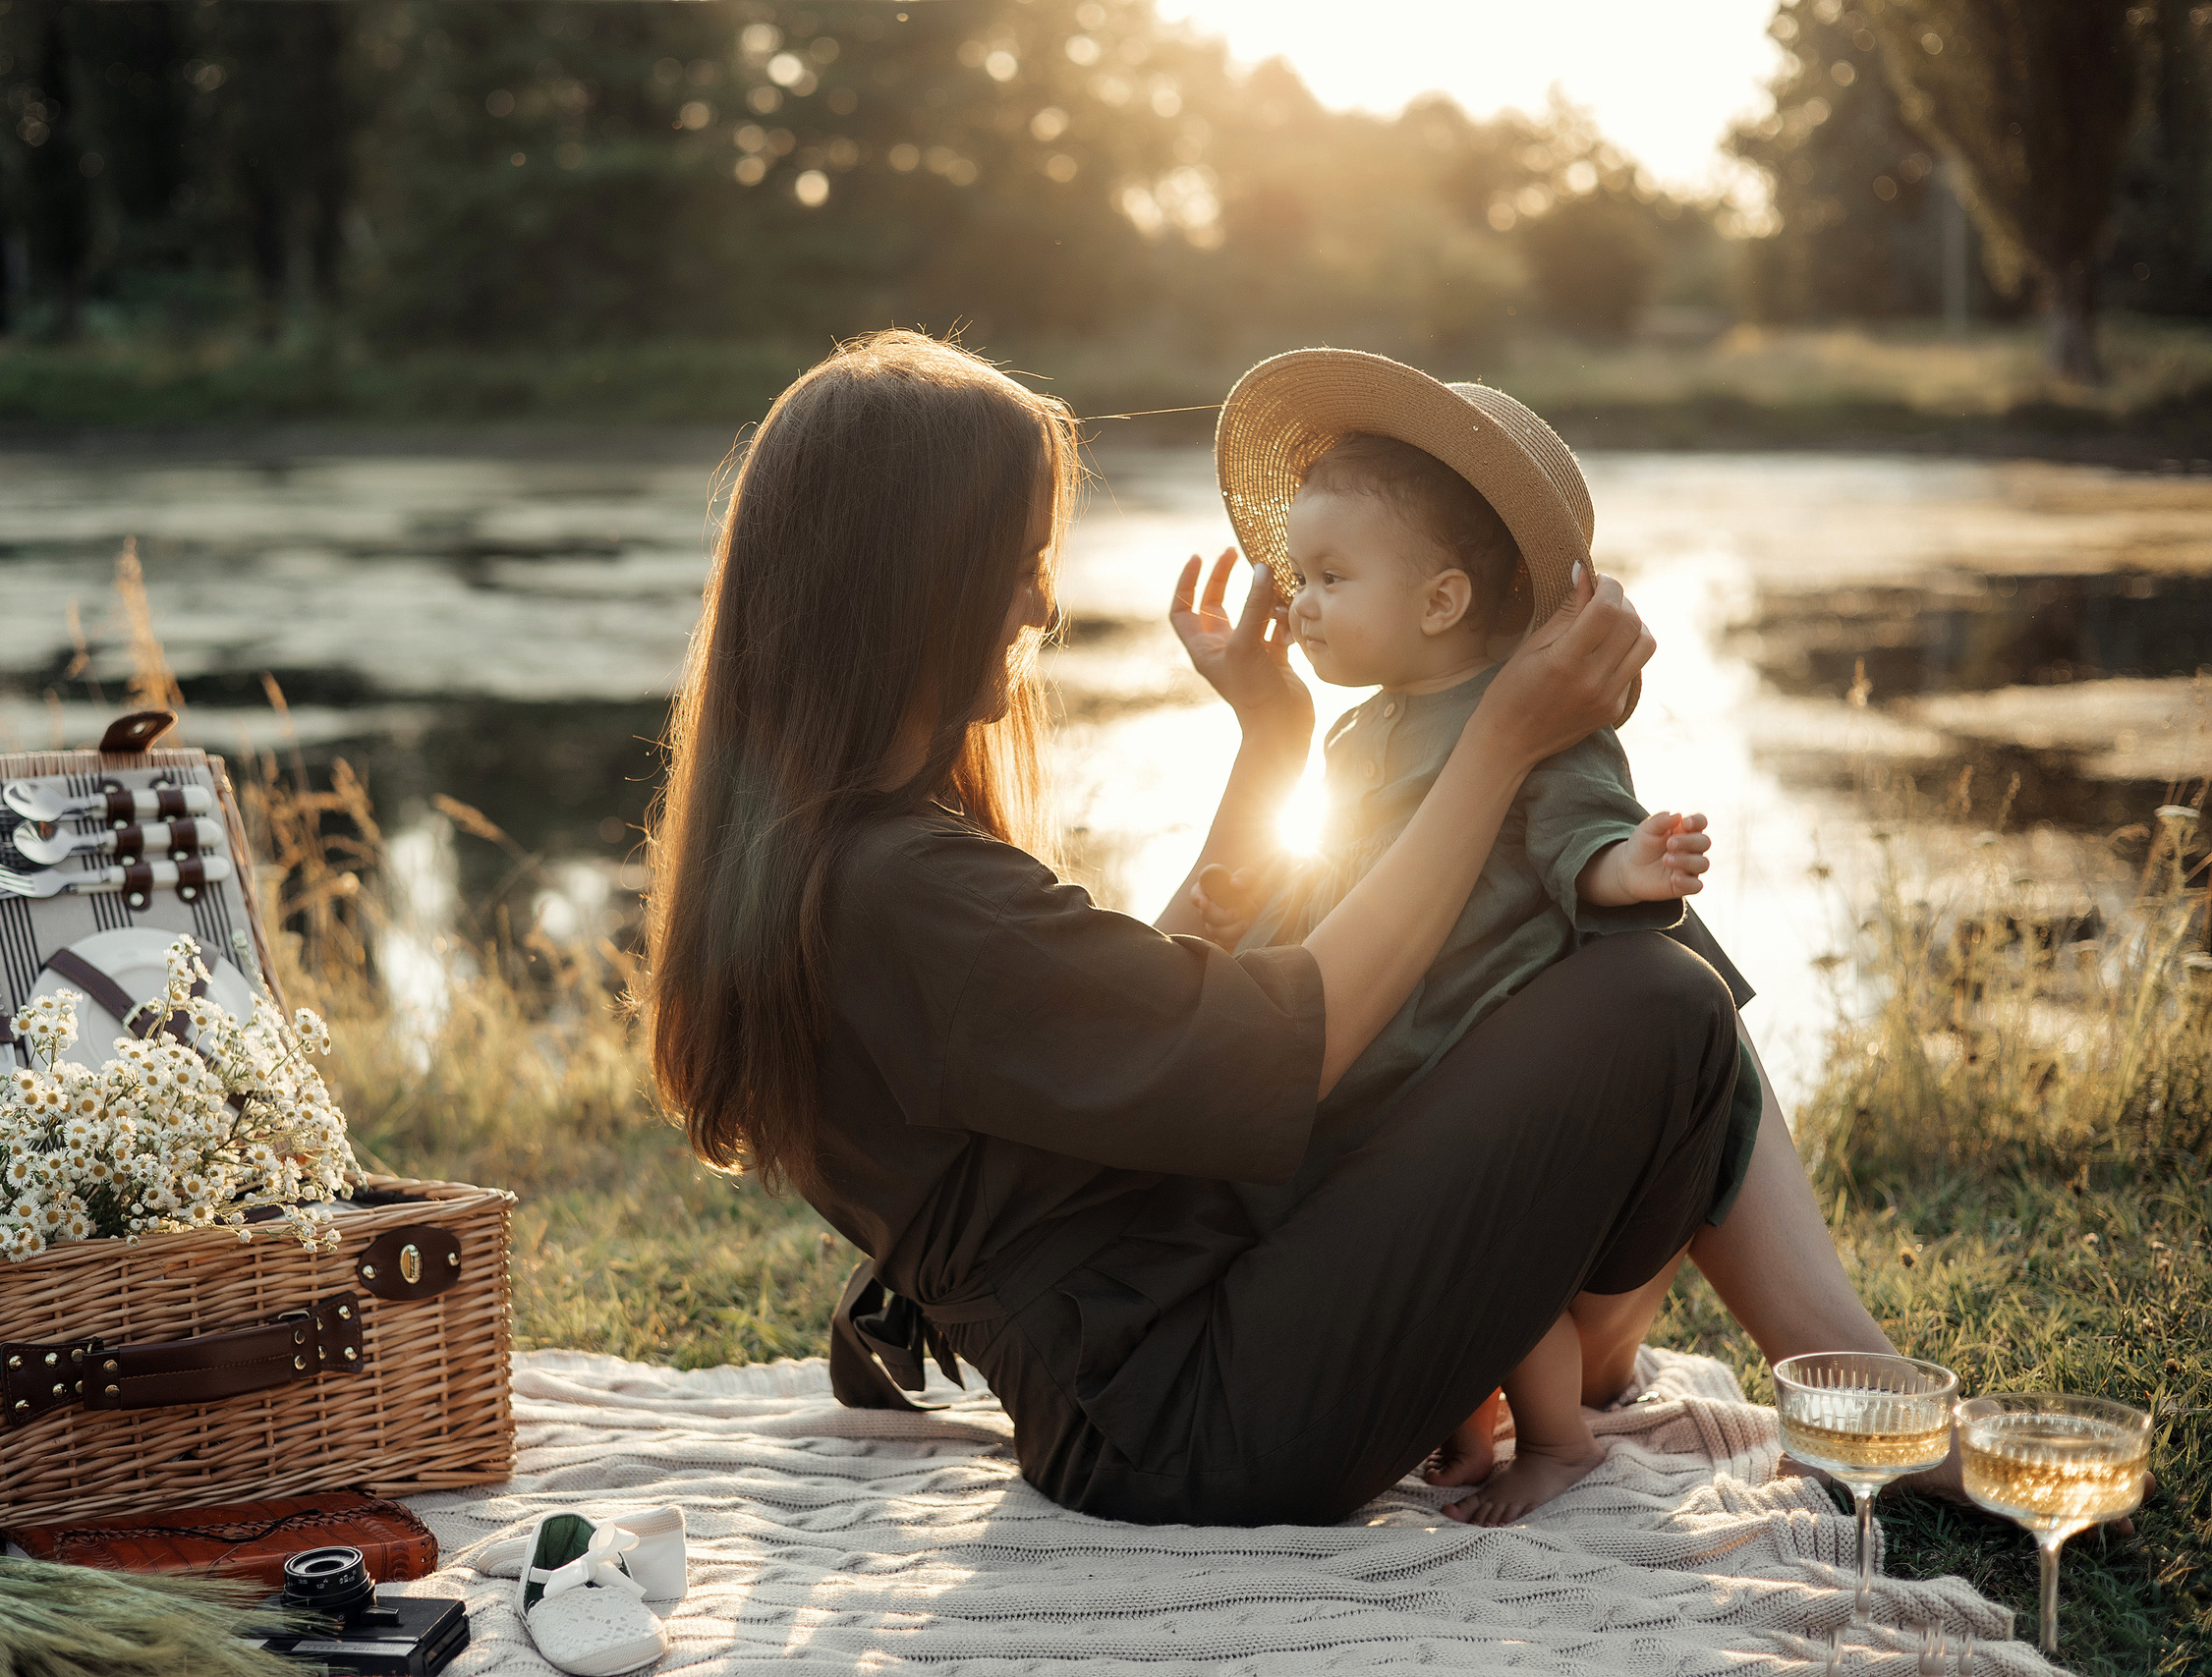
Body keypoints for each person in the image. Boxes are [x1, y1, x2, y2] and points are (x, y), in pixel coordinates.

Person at [645, 329, 1941, 1529]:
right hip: (1193, 1413)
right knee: (1656, 996)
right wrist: (1500, 739)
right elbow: (1274, 1040)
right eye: (1020, 565)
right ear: (912, 584)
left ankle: (1706, 1370)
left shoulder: (836, 865)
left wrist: (1271, 742)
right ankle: (1783, 1382)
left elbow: (1110, 1030)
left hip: (1158, 1365)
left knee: (1614, 955)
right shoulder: (892, 886)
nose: (1040, 609)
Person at [1184, 357, 1747, 1524]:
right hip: (1376, 1047)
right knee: (1350, 1220)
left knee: (1503, 1279)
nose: (1299, 602)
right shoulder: (1358, 740)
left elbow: (1575, 830)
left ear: (1440, 602)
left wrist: (1625, 864)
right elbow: (1331, 882)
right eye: (1300, 574)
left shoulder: (1532, 726)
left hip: (1464, 1056)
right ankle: (1458, 1418)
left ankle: (1556, 1443)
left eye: (1331, 577)